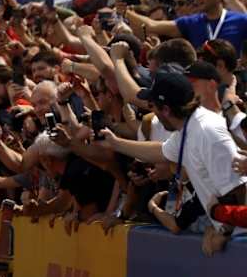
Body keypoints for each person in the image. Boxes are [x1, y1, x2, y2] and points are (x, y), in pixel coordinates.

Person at [105, 70, 247, 255]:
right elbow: (160, 151)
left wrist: (224, 233)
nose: (152, 111)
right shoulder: (188, 126)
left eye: (152, 105)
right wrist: (116, 143)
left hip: (240, 239)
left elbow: (238, 188)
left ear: (166, 109)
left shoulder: (207, 131)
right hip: (234, 239)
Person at [127, 0, 247, 55]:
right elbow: (152, 25)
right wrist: (125, 11)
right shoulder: (191, 22)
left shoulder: (241, 20)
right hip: (203, 85)